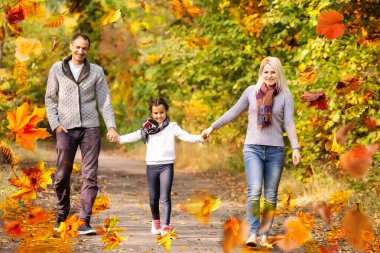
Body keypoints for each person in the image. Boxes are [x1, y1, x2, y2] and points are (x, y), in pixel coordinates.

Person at [201, 56, 301, 248]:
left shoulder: (286, 95)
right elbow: (233, 112)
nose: (269, 76)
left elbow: (289, 122)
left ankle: (265, 234)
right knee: (254, 191)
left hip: (276, 151)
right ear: (261, 73)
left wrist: (295, 147)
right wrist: (212, 127)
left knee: (271, 195)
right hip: (253, 148)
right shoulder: (251, 91)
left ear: (278, 73)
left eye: (273, 72)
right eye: (266, 72)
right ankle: (253, 233)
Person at [45, 33, 119, 235]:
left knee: (90, 176)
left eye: (84, 48)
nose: (80, 51)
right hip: (65, 130)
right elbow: (50, 99)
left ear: (88, 49)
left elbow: (104, 101)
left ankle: (84, 220)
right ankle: (62, 215)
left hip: (91, 129)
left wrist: (111, 126)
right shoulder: (57, 69)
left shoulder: (96, 71)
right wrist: (56, 124)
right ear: (71, 46)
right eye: (77, 47)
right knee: (61, 176)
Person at [114, 98, 204, 236]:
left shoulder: (172, 126)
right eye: (155, 113)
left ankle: (165, 226)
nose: (159, 115)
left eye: (161, 112)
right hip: (152, 166)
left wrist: (200, 137)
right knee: (153, 197)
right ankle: (156, 222)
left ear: (166, 111)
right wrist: (119, 138)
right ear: (151, 113)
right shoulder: (147, 127)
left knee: (165, 197)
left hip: (167, 165)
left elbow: (185, 136)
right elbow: (135, 135)